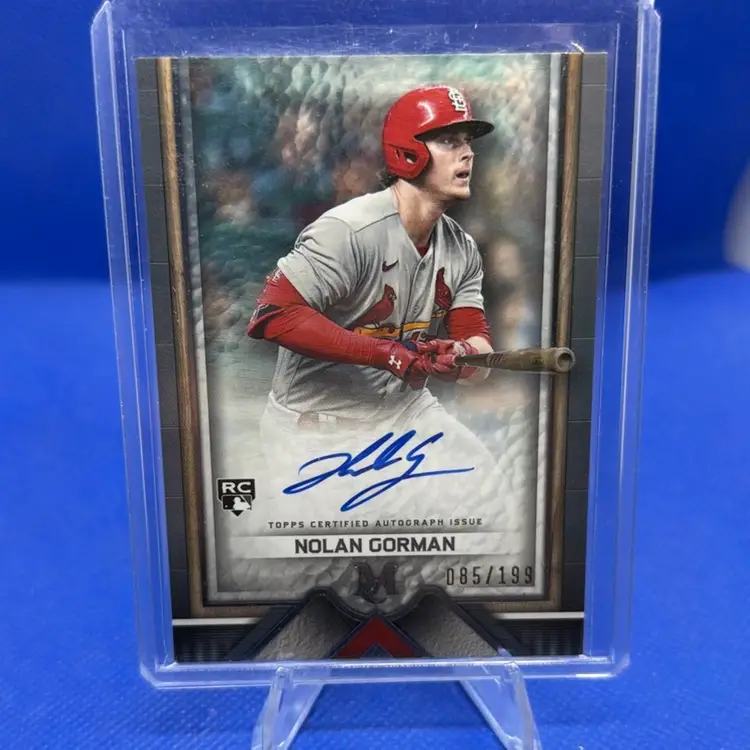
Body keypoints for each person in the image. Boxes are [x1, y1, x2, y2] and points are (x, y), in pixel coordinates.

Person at [246, 85, 525, 559]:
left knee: (494, 510)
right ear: (408, 152)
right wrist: (387, 355)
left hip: (405, 414)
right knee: (335, 561)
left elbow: (477, 349)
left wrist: (460, 357)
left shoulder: (460, 248)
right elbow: (272, 316)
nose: (467, 154)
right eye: (449, 141)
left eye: (468, 142)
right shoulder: (349, 230)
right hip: (317, 424)